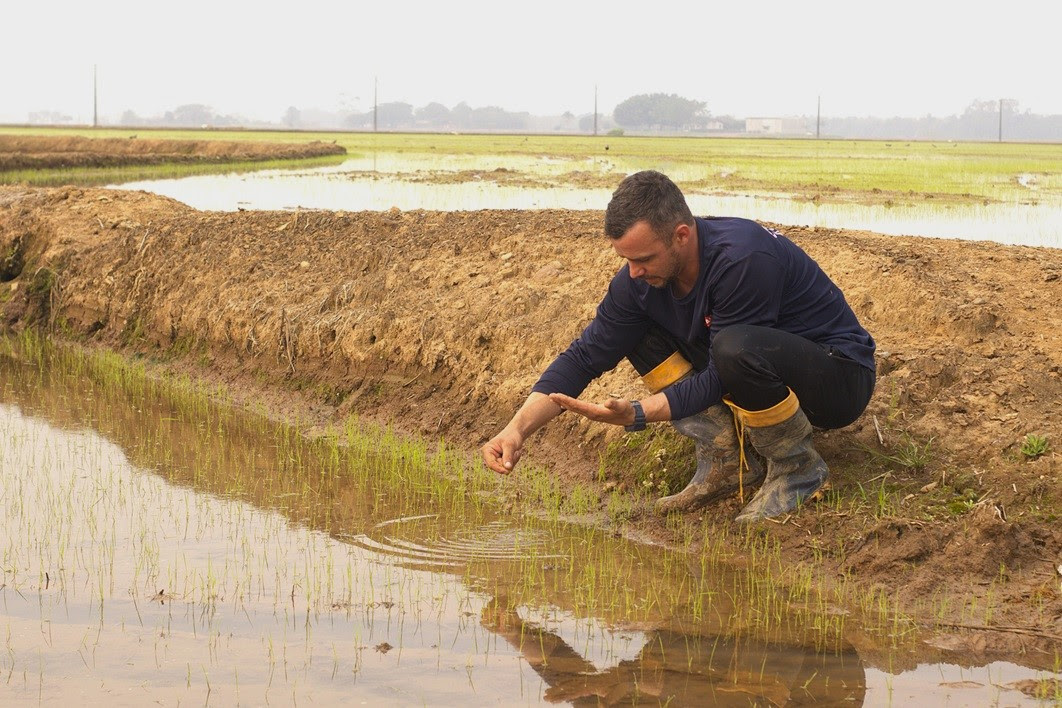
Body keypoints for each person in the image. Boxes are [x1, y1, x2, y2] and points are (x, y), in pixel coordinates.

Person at [481, 171, 875, 521]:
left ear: (681, 236)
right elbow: (585, 356)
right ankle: (726, 459)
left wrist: (638, 413)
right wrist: (516, 431)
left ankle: (797, 467)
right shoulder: (637, 280)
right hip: (751, 367)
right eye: (626, 260)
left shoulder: (742, 259)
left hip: (836, 379)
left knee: (734, 347)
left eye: (644, 259)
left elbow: (724, 370)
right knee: (639, 333)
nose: (634, 272)